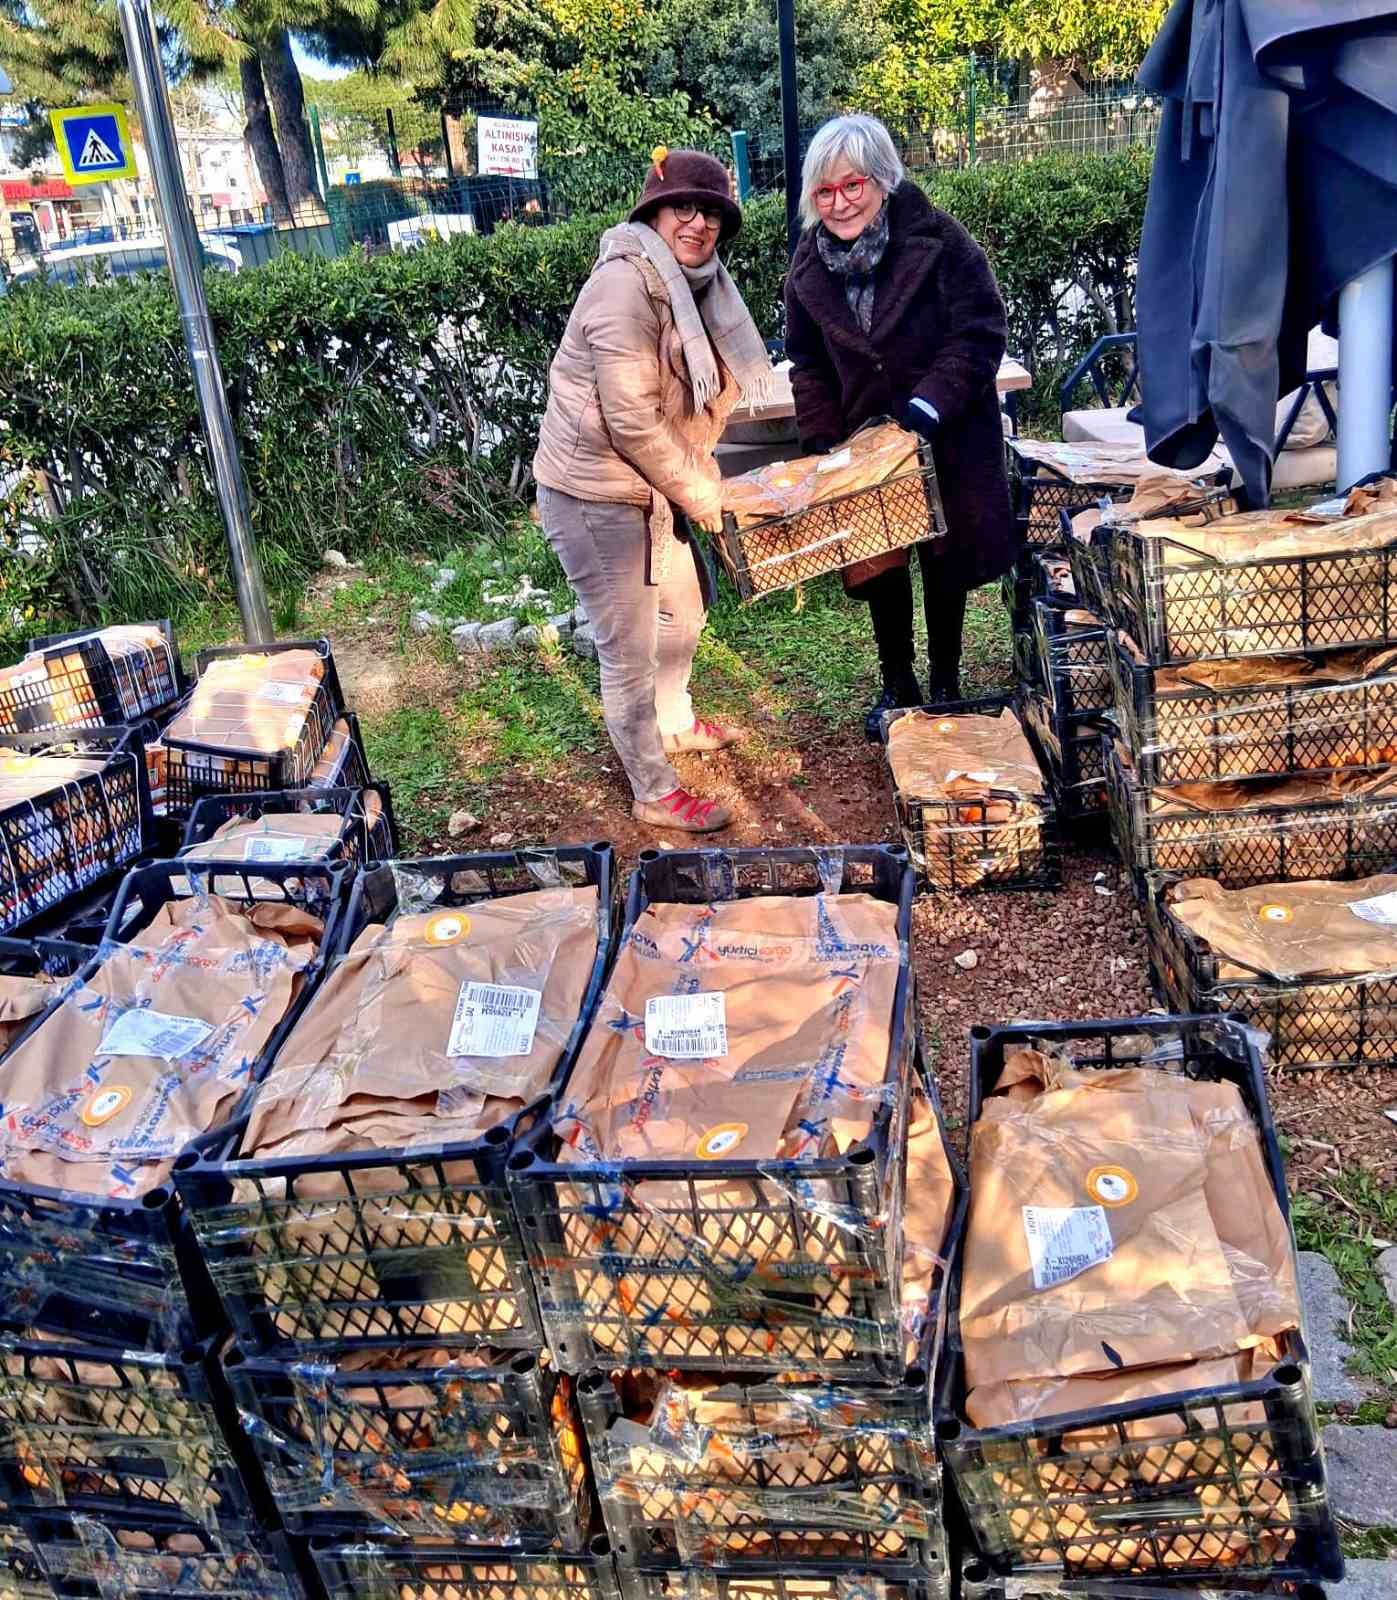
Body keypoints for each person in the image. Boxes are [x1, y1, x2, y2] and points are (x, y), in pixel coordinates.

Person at [534, 148, 773, 832]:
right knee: (628, 646)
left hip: (646, 489)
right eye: (684, 208)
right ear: (654, 213)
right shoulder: (623, 287)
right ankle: (651, 788)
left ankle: (672, 720)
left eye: (712, 214)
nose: (698, 224)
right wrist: (709, 497)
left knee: (685, 611)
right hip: (594, 496)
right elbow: (632, 420)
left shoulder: (696, 286)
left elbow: (697, 395)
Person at [785, 114, 1018, 739]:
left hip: (946, 431)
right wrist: (822, 438)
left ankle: (946, 679)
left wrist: (929, 405)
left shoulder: (941, 240)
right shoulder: (807, 266)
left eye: (852, 185)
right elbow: (806, 360)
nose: (839, 203)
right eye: (825, 192)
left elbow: (980, 330)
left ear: (882, 180)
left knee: (946, 560)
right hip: (865, 444)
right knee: (880, 561)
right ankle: (898, 681)